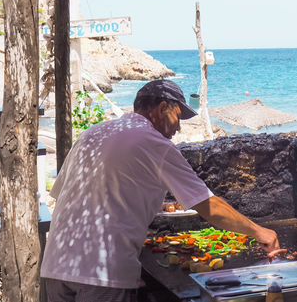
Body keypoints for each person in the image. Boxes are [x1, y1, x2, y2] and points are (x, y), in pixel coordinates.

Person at [40, 79, 279, 302]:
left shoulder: (91, 134)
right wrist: (259, 232)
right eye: (177, 117)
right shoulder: (153, 141)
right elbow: (208, 205)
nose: (178, 129)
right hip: (104, 274)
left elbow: (70, 194)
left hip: (55, 269)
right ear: (163, 107)